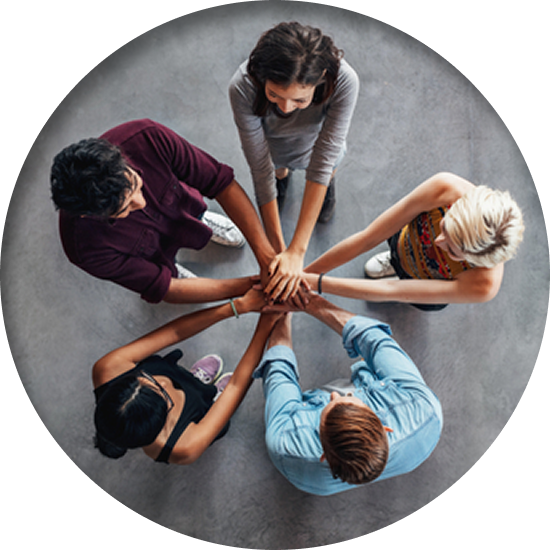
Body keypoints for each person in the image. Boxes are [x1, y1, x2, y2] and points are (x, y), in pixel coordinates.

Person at [51, 119, 276, 304]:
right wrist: (252, 285)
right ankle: (171, 268)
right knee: (166, 273)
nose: (141, 202)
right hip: (150, 256)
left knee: (192, 210)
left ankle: (200, 219)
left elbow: (219, 182)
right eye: (125, 208)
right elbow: (164, 287)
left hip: (182, 205)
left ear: (119, 155)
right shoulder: (84, 249)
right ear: (88, 215)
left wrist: (266, 259)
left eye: (136, 185)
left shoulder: (147, 137)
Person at [255, 292, 442, 496]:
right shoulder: (424, 409)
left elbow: (279, 371)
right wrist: (309, 301)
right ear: (385, 427)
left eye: (326, 411)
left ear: (323, 456)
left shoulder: (286, 443)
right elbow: (375, 340)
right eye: (351, 400)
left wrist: (282, 315)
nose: (335, 395)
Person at [229, 21, 359, 304]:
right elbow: (259, 166)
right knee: (276, 172)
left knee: (328, 172)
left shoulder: (345, 81)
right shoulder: (242, 86)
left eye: (299, 100)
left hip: (316, 148)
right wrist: (279, 252)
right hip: (274, 149)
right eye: (274, 95)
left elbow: (323, 159)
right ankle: (283, 179)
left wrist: (297, 252)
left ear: (321, 79)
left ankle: (324, 191)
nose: (285, 108)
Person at [93, 286, 279, 464]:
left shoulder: (108, 369)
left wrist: (237, 306)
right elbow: (235, 387)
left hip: (178, 377)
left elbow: (174, 332)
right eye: (162, 393)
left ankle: (195, 380)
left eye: (143, 378)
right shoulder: (183, 446)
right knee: (221, 415)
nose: (163, 384)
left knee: (189, 382)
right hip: (199, 414)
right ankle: (215, 402)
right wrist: (266, 323)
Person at [303, 172, 524, 310]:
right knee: (395, 245)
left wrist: (315, 283)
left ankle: (406, 273)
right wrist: (303, 274)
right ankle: (395, 259)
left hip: (426, 280)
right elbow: (368, 237)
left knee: (408, 293)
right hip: (404, 240)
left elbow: (391, 290)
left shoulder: (483, 285)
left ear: (475, 260)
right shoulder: (446, 188)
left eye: (451, 251)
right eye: (444, 227)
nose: (437, 242)